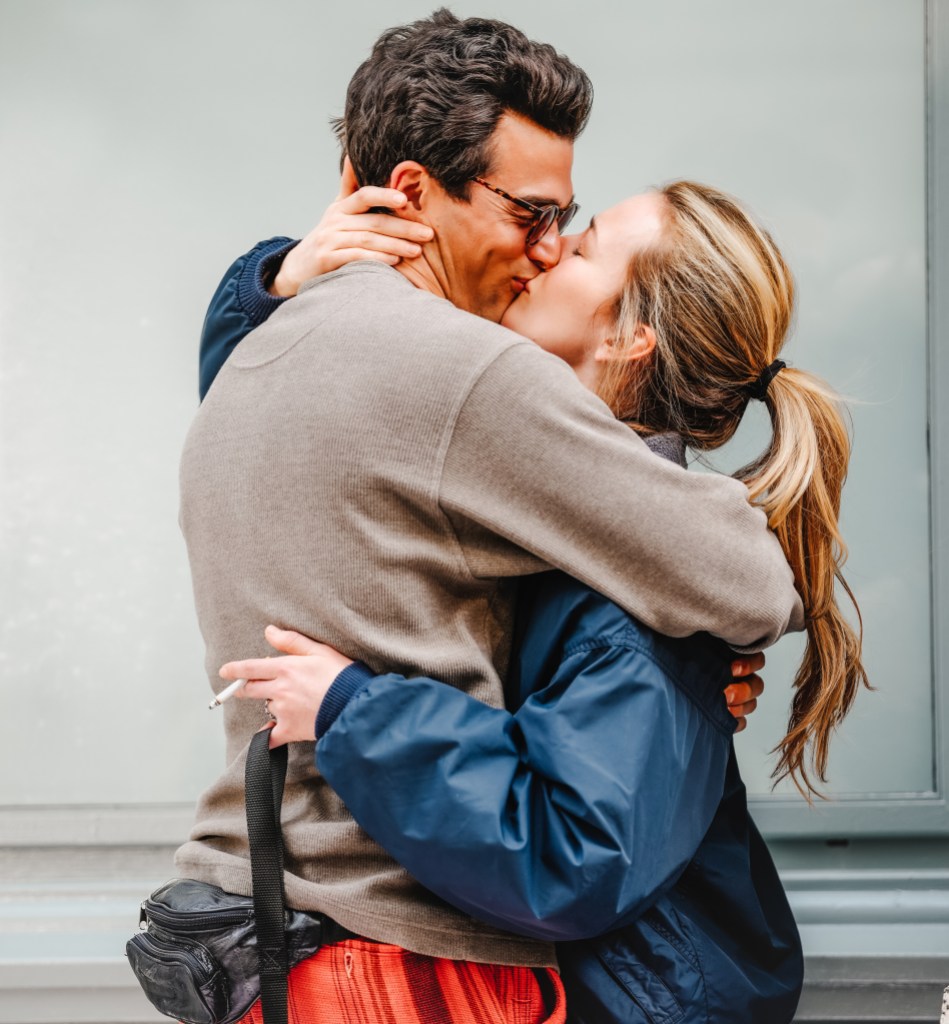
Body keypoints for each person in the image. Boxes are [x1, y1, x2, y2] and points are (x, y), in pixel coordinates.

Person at [180, 10, 803, 1023]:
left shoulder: (541, 470)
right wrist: (277, 281)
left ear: (632, 338)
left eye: (579, 235)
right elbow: (309, 447)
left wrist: (350, 710)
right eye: (533, 217)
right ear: (418, 195)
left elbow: (575, 854)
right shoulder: (471, 420)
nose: (547, 251)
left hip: (614, 984)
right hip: (384, 947)